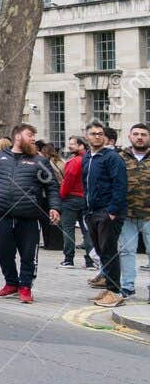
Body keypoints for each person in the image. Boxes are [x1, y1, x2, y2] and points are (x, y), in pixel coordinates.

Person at [0, 122, 62, 303]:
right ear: (17, 136)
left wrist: (54, 207)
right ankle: (11, 283)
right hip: (2, 215)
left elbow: (52, 187)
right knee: (3, 251)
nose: (33, 139)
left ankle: (25, 287)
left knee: (28, 254)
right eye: (29, 135)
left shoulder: (39, 161)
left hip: (29, 216)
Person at [80, 121, 129, 306]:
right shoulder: (87, 157)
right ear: (87, 136)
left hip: (107, 212)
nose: (97, 136)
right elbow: (85, 185)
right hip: (91, 212)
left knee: (109, 251)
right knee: (101, 252)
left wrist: (113, 211)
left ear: (105, 137)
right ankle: (109, 288)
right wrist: (85, 211)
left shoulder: (112, 158)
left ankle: (115, 292)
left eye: (100, 133)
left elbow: (120, 185)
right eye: (93, 133)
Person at [116, 123, 150, 303]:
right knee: (127, 251)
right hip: (126, 214)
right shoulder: (119, 158)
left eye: (143, 134)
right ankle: (128, 286)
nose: (139, 137)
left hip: (149, 216)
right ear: (129, 137)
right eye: (136, 134)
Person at [57, 134, 93, 269]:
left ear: (81, 145)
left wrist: (62, 194)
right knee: (87, 230)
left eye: (72, 143)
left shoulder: (74, 161)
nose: (70, 146)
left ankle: (68, 259)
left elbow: (68, 180)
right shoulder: (90, 160)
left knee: (68, 229)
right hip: (87, 198)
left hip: (71, 198)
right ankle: (90, 260)